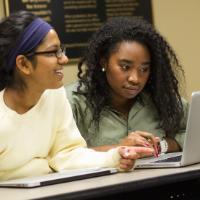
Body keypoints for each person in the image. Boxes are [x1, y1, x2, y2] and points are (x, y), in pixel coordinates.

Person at [0, 11, 155, 181]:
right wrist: (43, 165)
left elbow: (66, 155)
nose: (64, 59)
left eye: (61, 50)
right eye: (52, 53)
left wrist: (116, 156)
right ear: (24, 64)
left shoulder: (54, 95)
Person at [65, 17, 189, 154]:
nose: (135, 79)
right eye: (125, 67)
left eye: (144, 69)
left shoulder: (160, 98)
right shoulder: (72, 101)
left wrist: (161, 146)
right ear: (104, 62)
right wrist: (120, 149)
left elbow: (193, 132)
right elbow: (62, 156)